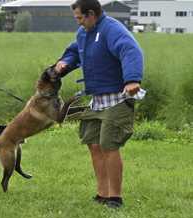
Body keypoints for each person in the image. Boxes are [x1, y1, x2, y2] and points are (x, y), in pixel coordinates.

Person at [55, 0, 144, 208]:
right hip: (96, 99)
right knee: (94, 145)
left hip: (117, 98)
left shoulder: (112, 30)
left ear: (91, 14)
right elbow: (75, 52)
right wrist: (64, 63)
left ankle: (115, 197)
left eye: (79, 18)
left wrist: (132, 79)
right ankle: (102, 194)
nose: (78, 22)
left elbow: (131, 51)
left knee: (109, 146)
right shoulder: (84, 33)